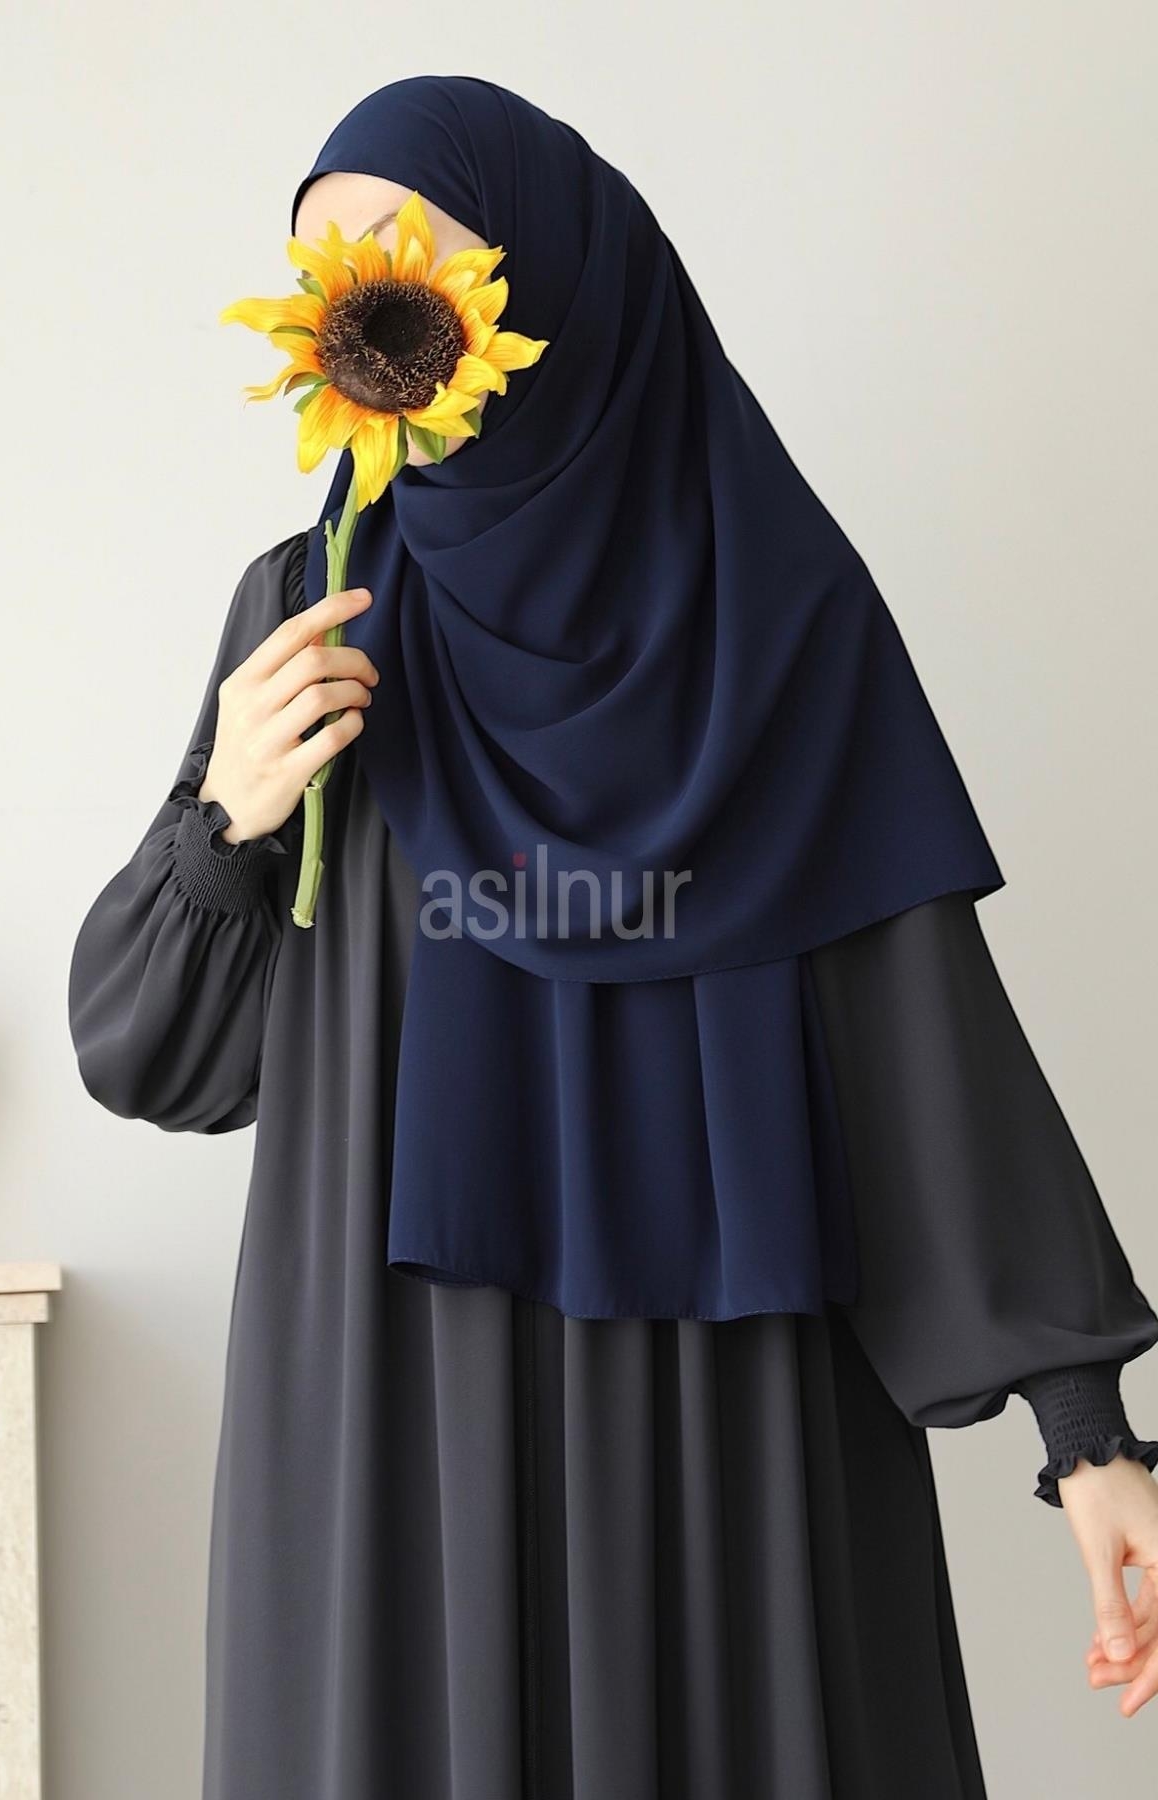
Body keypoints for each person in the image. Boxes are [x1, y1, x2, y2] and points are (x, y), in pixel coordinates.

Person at [68, 75, 1158, 1800]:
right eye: (321, 274)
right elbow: (157, 1058)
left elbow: (917, 1029)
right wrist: (230, 814)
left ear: (554, 269)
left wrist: (1088, 1437)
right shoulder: (314, 608)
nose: (356, 305)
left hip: (729, 1416)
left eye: (396, 252)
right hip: (399, 1423)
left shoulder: (779, 617)